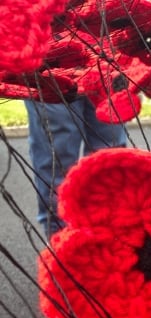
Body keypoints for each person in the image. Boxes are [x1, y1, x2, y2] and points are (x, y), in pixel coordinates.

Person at [25, 96, 127, 238]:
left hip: (107, 76)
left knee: (110, 158)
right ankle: (61, 243)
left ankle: (108, 240)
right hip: (50, 76)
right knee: (57, 160)